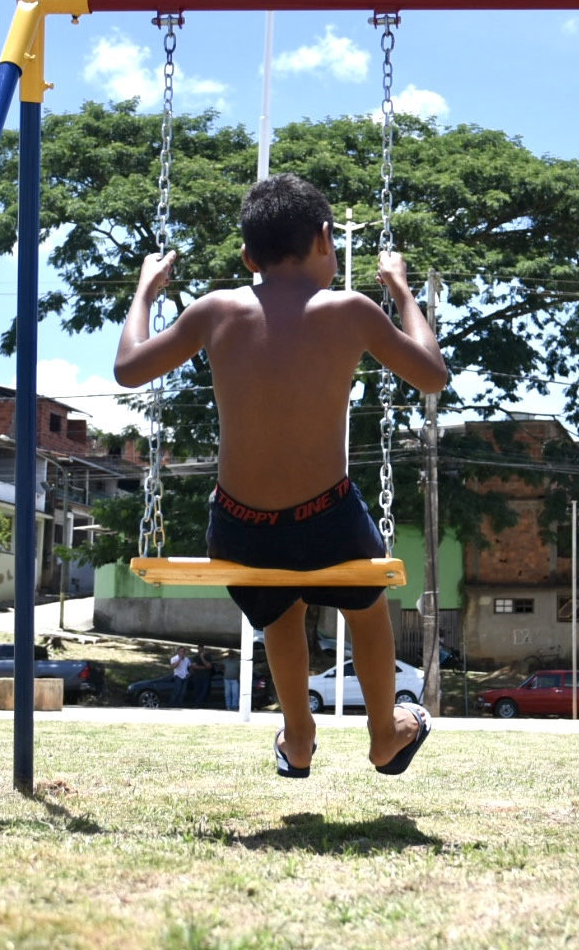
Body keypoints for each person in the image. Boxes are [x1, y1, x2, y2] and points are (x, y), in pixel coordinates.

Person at [115, 172, 448, 778]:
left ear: (248, 257)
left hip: (238, 526)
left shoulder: (213, 309)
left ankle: (298, 739)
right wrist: (402, 294)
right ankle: (384, 733)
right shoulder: (351, 309)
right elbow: (431, 374)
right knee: (365, 602)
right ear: (327, 238)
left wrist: (145, 290)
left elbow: (129, 368)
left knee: (278, 612)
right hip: (327, 520)